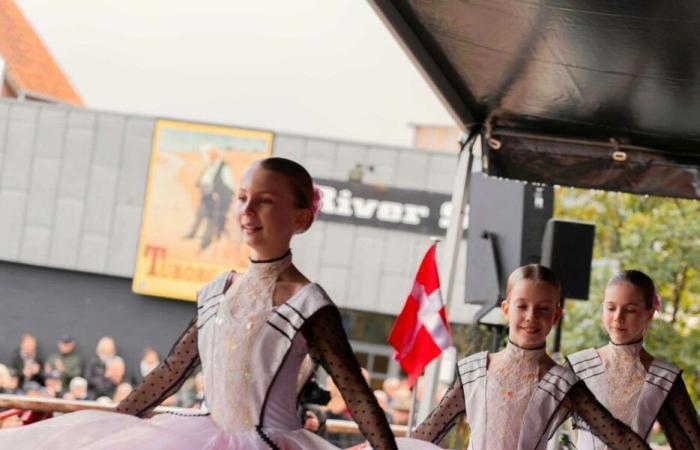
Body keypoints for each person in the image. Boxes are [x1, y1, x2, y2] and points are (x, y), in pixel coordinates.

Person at [0, 157, 439, 450]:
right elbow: (172, 371)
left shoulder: (309, 304)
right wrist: (109, 428)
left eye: (265, 202)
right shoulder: (216, 292)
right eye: (243, 198)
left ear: (300, 218)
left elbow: (356, 393)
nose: (248, 209)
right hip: (200, 434)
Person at [411, 264, 652, 450]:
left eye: (543, 309)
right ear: (506, 309)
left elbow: (617, 436)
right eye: (522, 306)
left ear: (556, 316)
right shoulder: (475, 371)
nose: (531, 316)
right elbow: (427, 433)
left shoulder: (564, 383)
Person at [567, 270, 700, 449]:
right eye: (611, 308)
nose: (618, 317)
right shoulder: (578, 365)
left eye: (629, 310)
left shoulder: (663, 377)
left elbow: (691, 440)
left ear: (650, 313)